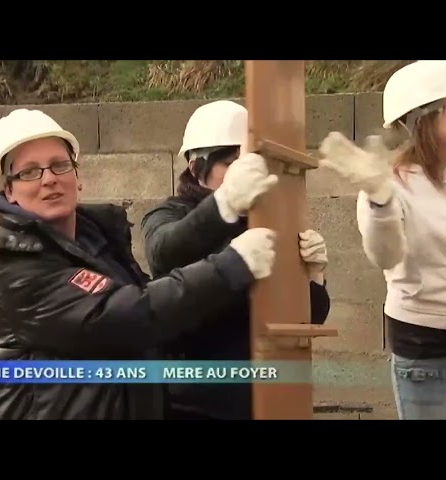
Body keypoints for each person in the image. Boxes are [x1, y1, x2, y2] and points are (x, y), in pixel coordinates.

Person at [0, 107, 281, 420]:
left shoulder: (96, 241)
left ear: (77, 175)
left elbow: (152, 303)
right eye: (30, 172)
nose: (49, 179)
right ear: (9, 192)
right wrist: (232, 263)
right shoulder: (17, 268)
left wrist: (305, 278)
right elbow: (131, 314)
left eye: (59, 165)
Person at [140, 100, 332, 421]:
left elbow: (306, 321)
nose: (245, 172)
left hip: (262, 394)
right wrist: (226, 202)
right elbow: (164, 252)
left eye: (250, 163)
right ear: (196, 167)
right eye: (231, 163)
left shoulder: (267, 219)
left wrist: (313, 279)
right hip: (194, 399)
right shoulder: (168, 214)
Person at [318, 60, 446, 420]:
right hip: (425, 352)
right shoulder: (388, 183)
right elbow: (386, 256)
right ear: (423, 119)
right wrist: (380, 199)